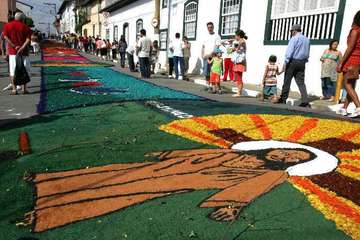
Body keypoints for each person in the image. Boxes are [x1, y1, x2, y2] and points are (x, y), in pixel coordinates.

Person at [27, 138, 338, 232]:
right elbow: (200, 152)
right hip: (175, 166)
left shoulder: (275, 173)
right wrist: (168, 154)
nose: (283, 153)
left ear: (292, 164)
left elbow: (252, 188)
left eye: (292, 156)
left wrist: (230, 205)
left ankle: (46, 213)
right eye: (286, 149)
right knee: (116, 172)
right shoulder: (237, 152)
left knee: (122, 192)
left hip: (187, 179)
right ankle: (46, 182)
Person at [276, 24, 311, 108]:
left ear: (294, 31)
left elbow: (289, 52)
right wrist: (305, 60)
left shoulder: (294, 39)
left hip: (292, 61)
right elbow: (307, 52)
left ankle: (283, 99)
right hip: (302, 62)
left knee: (287, 80)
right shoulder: (307, 40)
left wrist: (285, 62)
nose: (291, 33)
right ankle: (305, 101)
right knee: (301, 82)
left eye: (291, 31)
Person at [336, 11, 360, 117]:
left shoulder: (355, 31)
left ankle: (358, 107)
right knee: (351, 85)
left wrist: (341, 62)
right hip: (358, 59)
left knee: (347, 84)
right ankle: (344, 108)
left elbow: (350, 47)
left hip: (352, 59)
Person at [2, 12, 32, 95]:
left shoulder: (7, 26)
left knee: (12, 70)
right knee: (24, 69)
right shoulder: (26, 27)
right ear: (22, 19)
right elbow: (28, 40)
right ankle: (24, 89)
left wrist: (14, 46)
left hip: (13, 52)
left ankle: (14, 89)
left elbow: (5, 37)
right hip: (24, 52)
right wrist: (22, 47)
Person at [202, 22, 221, 88]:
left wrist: (210, 54)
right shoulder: (205, 35)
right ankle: (207, 85)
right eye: (208, 27)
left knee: (213, 72)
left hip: (213, 57)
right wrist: (202, 54)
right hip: (205, 56)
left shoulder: (217, 36)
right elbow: (203, 46)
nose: (210, 29)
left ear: (213, 27)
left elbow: (217, 47)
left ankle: (213, 86)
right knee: (206, 71)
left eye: (211, 27)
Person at [232, 30, 247, 97]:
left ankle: (239, 93)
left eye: (235, 35)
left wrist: (235, 48)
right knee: (237, 77)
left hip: (240, 62)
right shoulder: (240, 41)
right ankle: (239, 92)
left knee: (239, 77)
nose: (235, 37)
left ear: (238, 36)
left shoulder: (242, 41)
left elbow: (241, 42)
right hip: (238, 61)